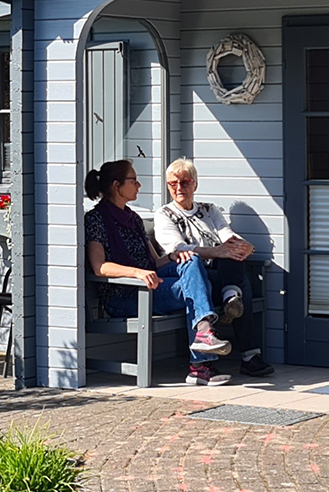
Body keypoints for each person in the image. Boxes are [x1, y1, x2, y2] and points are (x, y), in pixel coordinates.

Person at [84, 159, 234, 386]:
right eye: (133, 180)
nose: (138, 185)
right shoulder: (96, 219)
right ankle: (199, 366)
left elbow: (154, 261)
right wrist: (137, 273)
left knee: (190, 258)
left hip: (150, 284)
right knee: (198, 287)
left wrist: (172, 257)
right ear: (117, 186)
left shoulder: (133, 218)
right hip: (124, 295)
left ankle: (203, 337)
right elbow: (99, 266)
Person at [154, 158, 273, 378]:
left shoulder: (209, 210)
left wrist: (246, 247)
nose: (179, 188)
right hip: (192, 275)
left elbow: (228, 237)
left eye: (185, 182)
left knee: (233, 255)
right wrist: (218, 251)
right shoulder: (164, 215)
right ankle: (249, 355)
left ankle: (230, 296)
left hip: (219, 273)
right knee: (240, 285)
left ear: (195, 184)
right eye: (173, 183)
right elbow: (180, 250)